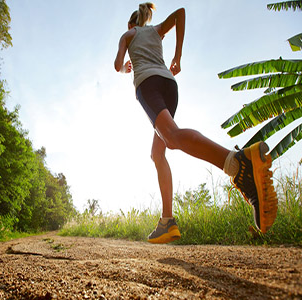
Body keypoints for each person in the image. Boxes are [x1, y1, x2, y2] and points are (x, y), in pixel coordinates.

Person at [114, 3, 278, 244]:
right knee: (157, 152)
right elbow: (180, 13)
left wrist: (125, 69)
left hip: (147, 85)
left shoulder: (128, 35)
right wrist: (177, 56)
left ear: (131, 24)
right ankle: (167, 221)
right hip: (169, 86)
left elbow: (117, 65)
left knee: (171, 137)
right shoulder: (156, 30)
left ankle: (237, 164)